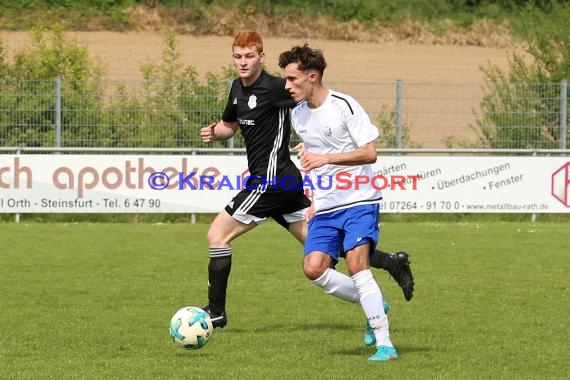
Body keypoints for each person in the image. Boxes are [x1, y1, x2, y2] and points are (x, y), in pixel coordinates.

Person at [199, 30, 413, 331]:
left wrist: (323, 150)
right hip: (286, 185)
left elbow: (316, 98)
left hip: (270, 182)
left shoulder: (279, 87)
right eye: (237, 56)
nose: (243, 62)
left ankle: (216, 312)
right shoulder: (237, 88)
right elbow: (229, 126)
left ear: (262, 56)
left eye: (249, 56)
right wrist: (213, 132)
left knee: (216, 236)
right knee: (323, 249)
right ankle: (390, 265)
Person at [278, 43, 398, 361]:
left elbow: (369, 152)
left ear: (312, 76)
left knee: (358, 265)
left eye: (292, 79)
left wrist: (324, 157)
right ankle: (372, 303)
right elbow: (314, 160)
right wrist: (315, 198)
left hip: (359, 199)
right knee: (313, 268)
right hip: (327, 206)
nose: (287, 85)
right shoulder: (298, 114)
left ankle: (385, 343)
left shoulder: (345, 105)